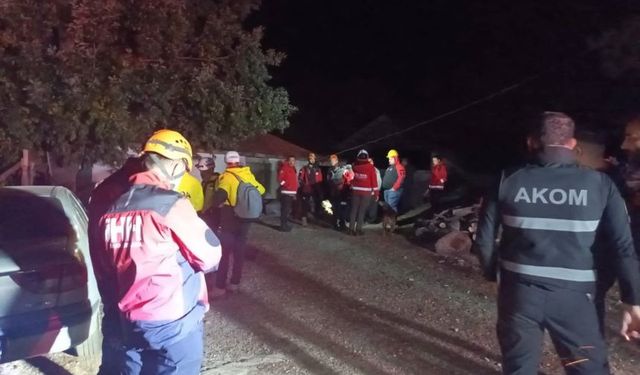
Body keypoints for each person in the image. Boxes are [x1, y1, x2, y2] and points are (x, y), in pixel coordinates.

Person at [473, 112, 640, 374]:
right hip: (575, 296)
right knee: (588, 368)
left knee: (519, 367)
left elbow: (484, 240)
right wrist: (633, 300)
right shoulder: (600, 184)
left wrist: (494, 274)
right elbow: (624, 247)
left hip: (519, 291)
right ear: (573, 145)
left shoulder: (508, 179)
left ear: (531, 142)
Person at [96, 129, 222, 375]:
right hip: (173, 323)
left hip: (131, 320)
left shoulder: (113, 209)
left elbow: (108, 264)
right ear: (175, 166)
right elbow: (210, 256)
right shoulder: (171, 203)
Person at [87, 157, 145, 375]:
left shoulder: (110, 187)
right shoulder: (122, 191)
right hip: (117, 275)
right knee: (120, 332)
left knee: (114, 329)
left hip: (109, 272)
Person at [209, 151, 265, 297]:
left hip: (230, 217)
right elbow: (261, 190)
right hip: (246, 218)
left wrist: (217, 203)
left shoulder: (226, 177)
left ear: (227, 162)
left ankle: (220, 287)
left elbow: (218, 199)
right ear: (238, 161)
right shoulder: (247, 174)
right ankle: (235, 283)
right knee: (239, 251)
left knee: (225, 253)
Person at [349, 150, 379, 235]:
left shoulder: (354, 166)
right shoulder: (371, 167)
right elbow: (374, 181)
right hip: (366, 192)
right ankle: (359, 229)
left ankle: (351, 229)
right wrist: (376, 193)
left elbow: (351, 178)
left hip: (355, 191)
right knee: (362, 211)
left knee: (354, 210)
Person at [327, 154, 352, 231]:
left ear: (337, 161)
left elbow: (349, 179)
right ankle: (335, 224)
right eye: (331, 161)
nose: (332, 162)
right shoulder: (329, 171)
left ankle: (342, 224)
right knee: (335, 209)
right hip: (334, 193)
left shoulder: (342, 169)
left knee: (343, 209)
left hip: (342, 193)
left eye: (333, 160)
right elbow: (328, 181)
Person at [298, 152, 324, 226]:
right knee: (305, 204)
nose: (311, 159)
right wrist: (304, 185)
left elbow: (320, 179)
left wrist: (319, 188)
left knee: (317, 204)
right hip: (307, 188)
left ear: (314, 159)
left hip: (316, 188)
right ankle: (304, 218)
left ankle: (317, 219)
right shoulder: (304, 168)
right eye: (310, 158)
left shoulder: (318, 169)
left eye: (313, 158)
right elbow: (300, 178)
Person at [381, 149, 406, 214]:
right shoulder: (389, 167)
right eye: (389, 158)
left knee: (391, 207)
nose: (389, 160)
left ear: (395, 158)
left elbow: (401, 178)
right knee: (388, 207)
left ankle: (392, 223)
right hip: (387, 190)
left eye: (390, 158)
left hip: (394, 191)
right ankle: (389, 221)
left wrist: (394, 188)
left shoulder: (399, 167)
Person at [278, 155, 298, 232]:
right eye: (290, 160)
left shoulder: (293, 169)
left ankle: (285, 224)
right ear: (288, 161)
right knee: (285, 210)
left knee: (287, 210)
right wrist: (287, 185)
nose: (292, 162)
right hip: (286, 192)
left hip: (291, 193)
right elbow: (280, 179)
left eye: (293, 160)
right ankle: (283, 226)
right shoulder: (284, 168)